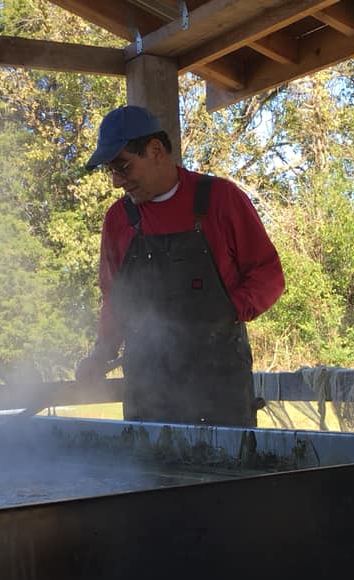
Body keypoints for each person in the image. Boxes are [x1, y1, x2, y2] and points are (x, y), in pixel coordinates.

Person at [75, 105, 285, 427]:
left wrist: (228, 310)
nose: (117, 182)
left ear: (155, 150)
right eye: (111, 171)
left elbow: (268, 275)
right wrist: (101, 352)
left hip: (219, 385)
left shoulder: (221, 199)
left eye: (123, 167)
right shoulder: (117, 220)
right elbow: (115, 300)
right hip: (147, 389)